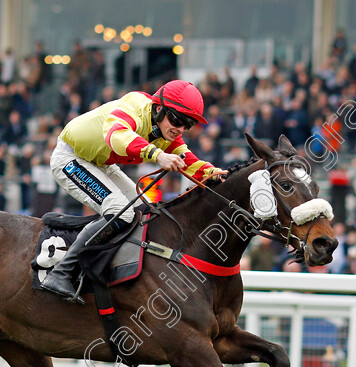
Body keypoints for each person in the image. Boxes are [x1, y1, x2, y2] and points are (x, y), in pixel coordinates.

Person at [40, 80, 225, 304]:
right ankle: (62, 272)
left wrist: (214, 173)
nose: (180, 129)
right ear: (159, 108)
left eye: (188, 124)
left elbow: (189, 161)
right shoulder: (135, 106)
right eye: (177, 119)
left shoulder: (167, 133)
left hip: (99, 162)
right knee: (121, 211)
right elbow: (117, 136)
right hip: (70, 157)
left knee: (145, 211)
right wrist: (158, 155)